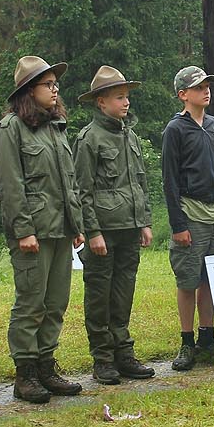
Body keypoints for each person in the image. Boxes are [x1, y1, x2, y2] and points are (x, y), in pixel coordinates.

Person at [0, 56, 86, 404]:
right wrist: (23, 230)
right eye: (47, 84)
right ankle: (26, 374)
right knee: (31, 302)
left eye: (54, 84)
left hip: (60, 230)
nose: (55, 88)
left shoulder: (55, 128)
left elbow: (68, 183)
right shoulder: (10, 129)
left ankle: (47, 366)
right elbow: (9, 185)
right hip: (33, 232)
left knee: (56, 302)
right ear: (29, 91)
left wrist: (76, 225)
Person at [73, 66, 156, 385]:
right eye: (119, 97)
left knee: (123, 294)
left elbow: (140, 182)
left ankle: (124, 354)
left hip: (129, 230)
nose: (126, 103)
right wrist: (92, 232)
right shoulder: (89, 139)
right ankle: (103, 359)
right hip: (103, 233)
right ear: (101, 102)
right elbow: (83, 190)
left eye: (127, 97)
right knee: (99, 295)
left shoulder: (130, 136)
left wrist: (144, 222)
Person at [161, 66, 214, 370]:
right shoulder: (175, 130)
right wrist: (178, 225)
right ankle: (187, 340)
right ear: (183, 95)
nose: (206, 91)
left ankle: (208, 336)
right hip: (191, 213)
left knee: (212, 277)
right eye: (198, 87)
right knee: (188, 280)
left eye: (207, 86)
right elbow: (170, 181)